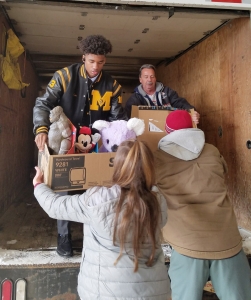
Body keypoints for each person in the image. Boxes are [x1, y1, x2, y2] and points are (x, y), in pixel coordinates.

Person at [33, 140, 171, 300]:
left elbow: (55, 206)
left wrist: (38, 185)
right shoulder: (158, 201)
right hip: (154, 292)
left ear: (117, 166)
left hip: (105, 293)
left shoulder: (98, 200)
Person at [33, 35, 128, 257]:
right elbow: (43, 104)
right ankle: (64, 235)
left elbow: (117, 120)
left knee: (96, 188)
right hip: (66, 141)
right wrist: (41, 129)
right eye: (92, 61)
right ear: (83, 57)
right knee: (64, 188)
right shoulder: (64, 76)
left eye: (101, 62)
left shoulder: (112, 86)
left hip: (95, 144)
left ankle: (94, 235)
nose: (96, 67)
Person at [154, 110, 251, 300]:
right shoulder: (212, 150)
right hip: (226, 240)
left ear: (168, 132)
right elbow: (222, 171)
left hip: (187, 244)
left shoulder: (158, 158)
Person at [125, 64, 200, 124]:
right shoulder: (134, 99)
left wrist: (193, 112)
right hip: (147, 135)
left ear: (155, 78)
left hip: (169, 132)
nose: (149, 80)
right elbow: (128, 120)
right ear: (140, 79)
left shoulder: (167, 92)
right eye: (146, 77)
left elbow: (181, 103)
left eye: (152, 76)